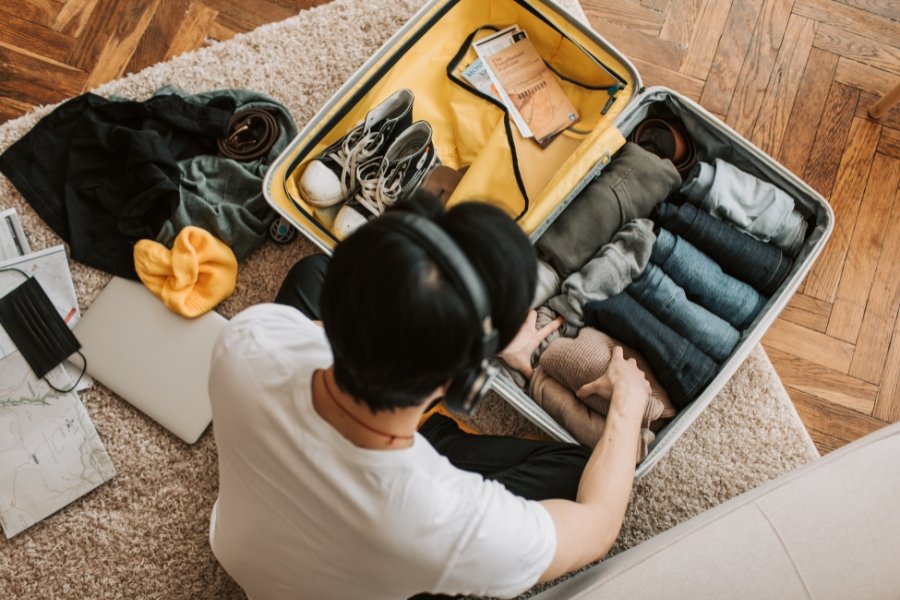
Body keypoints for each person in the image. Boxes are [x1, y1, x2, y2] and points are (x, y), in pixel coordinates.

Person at [207, 193, 651, 599]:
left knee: (310, 273)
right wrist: (627, 405)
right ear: (467, 384)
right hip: (393, 527)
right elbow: (597, 528)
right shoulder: (451, 520)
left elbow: (328, 331)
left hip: (243, 549)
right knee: (584, 473)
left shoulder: (251, 335)